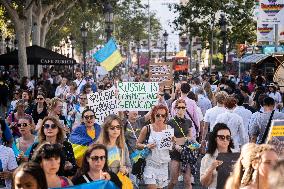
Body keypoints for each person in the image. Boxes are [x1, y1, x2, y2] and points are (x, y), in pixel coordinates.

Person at [136, 104, 173, 189]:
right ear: (153, 115)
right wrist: (147, 146)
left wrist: (173, 143)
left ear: (166, 116)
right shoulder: (147, 128)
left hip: (163, 164)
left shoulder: (169, 128)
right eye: (158, 115)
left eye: (163, 115)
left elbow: (170, 150)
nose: (160, 117)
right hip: (150, 164)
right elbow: (137, 145)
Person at [167, 99, 193, 189]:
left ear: (186, 108)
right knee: (173, 181)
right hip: (175, 153)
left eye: (183, 107)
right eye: (179, 107)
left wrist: (178, 140)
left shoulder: (188, 122)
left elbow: (190, 137)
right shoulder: (170, 122)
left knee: (187, 180)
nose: (181, 109)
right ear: (175, 109)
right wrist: (177, 143)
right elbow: (169, 139)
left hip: (186, 152)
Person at [200, 123, 234, 189]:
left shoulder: (236, 155)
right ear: (215, 139)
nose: (225, 140)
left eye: (228, 137)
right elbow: (204, 184)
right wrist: (211, 168)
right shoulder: (208, 158)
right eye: (222, 137)